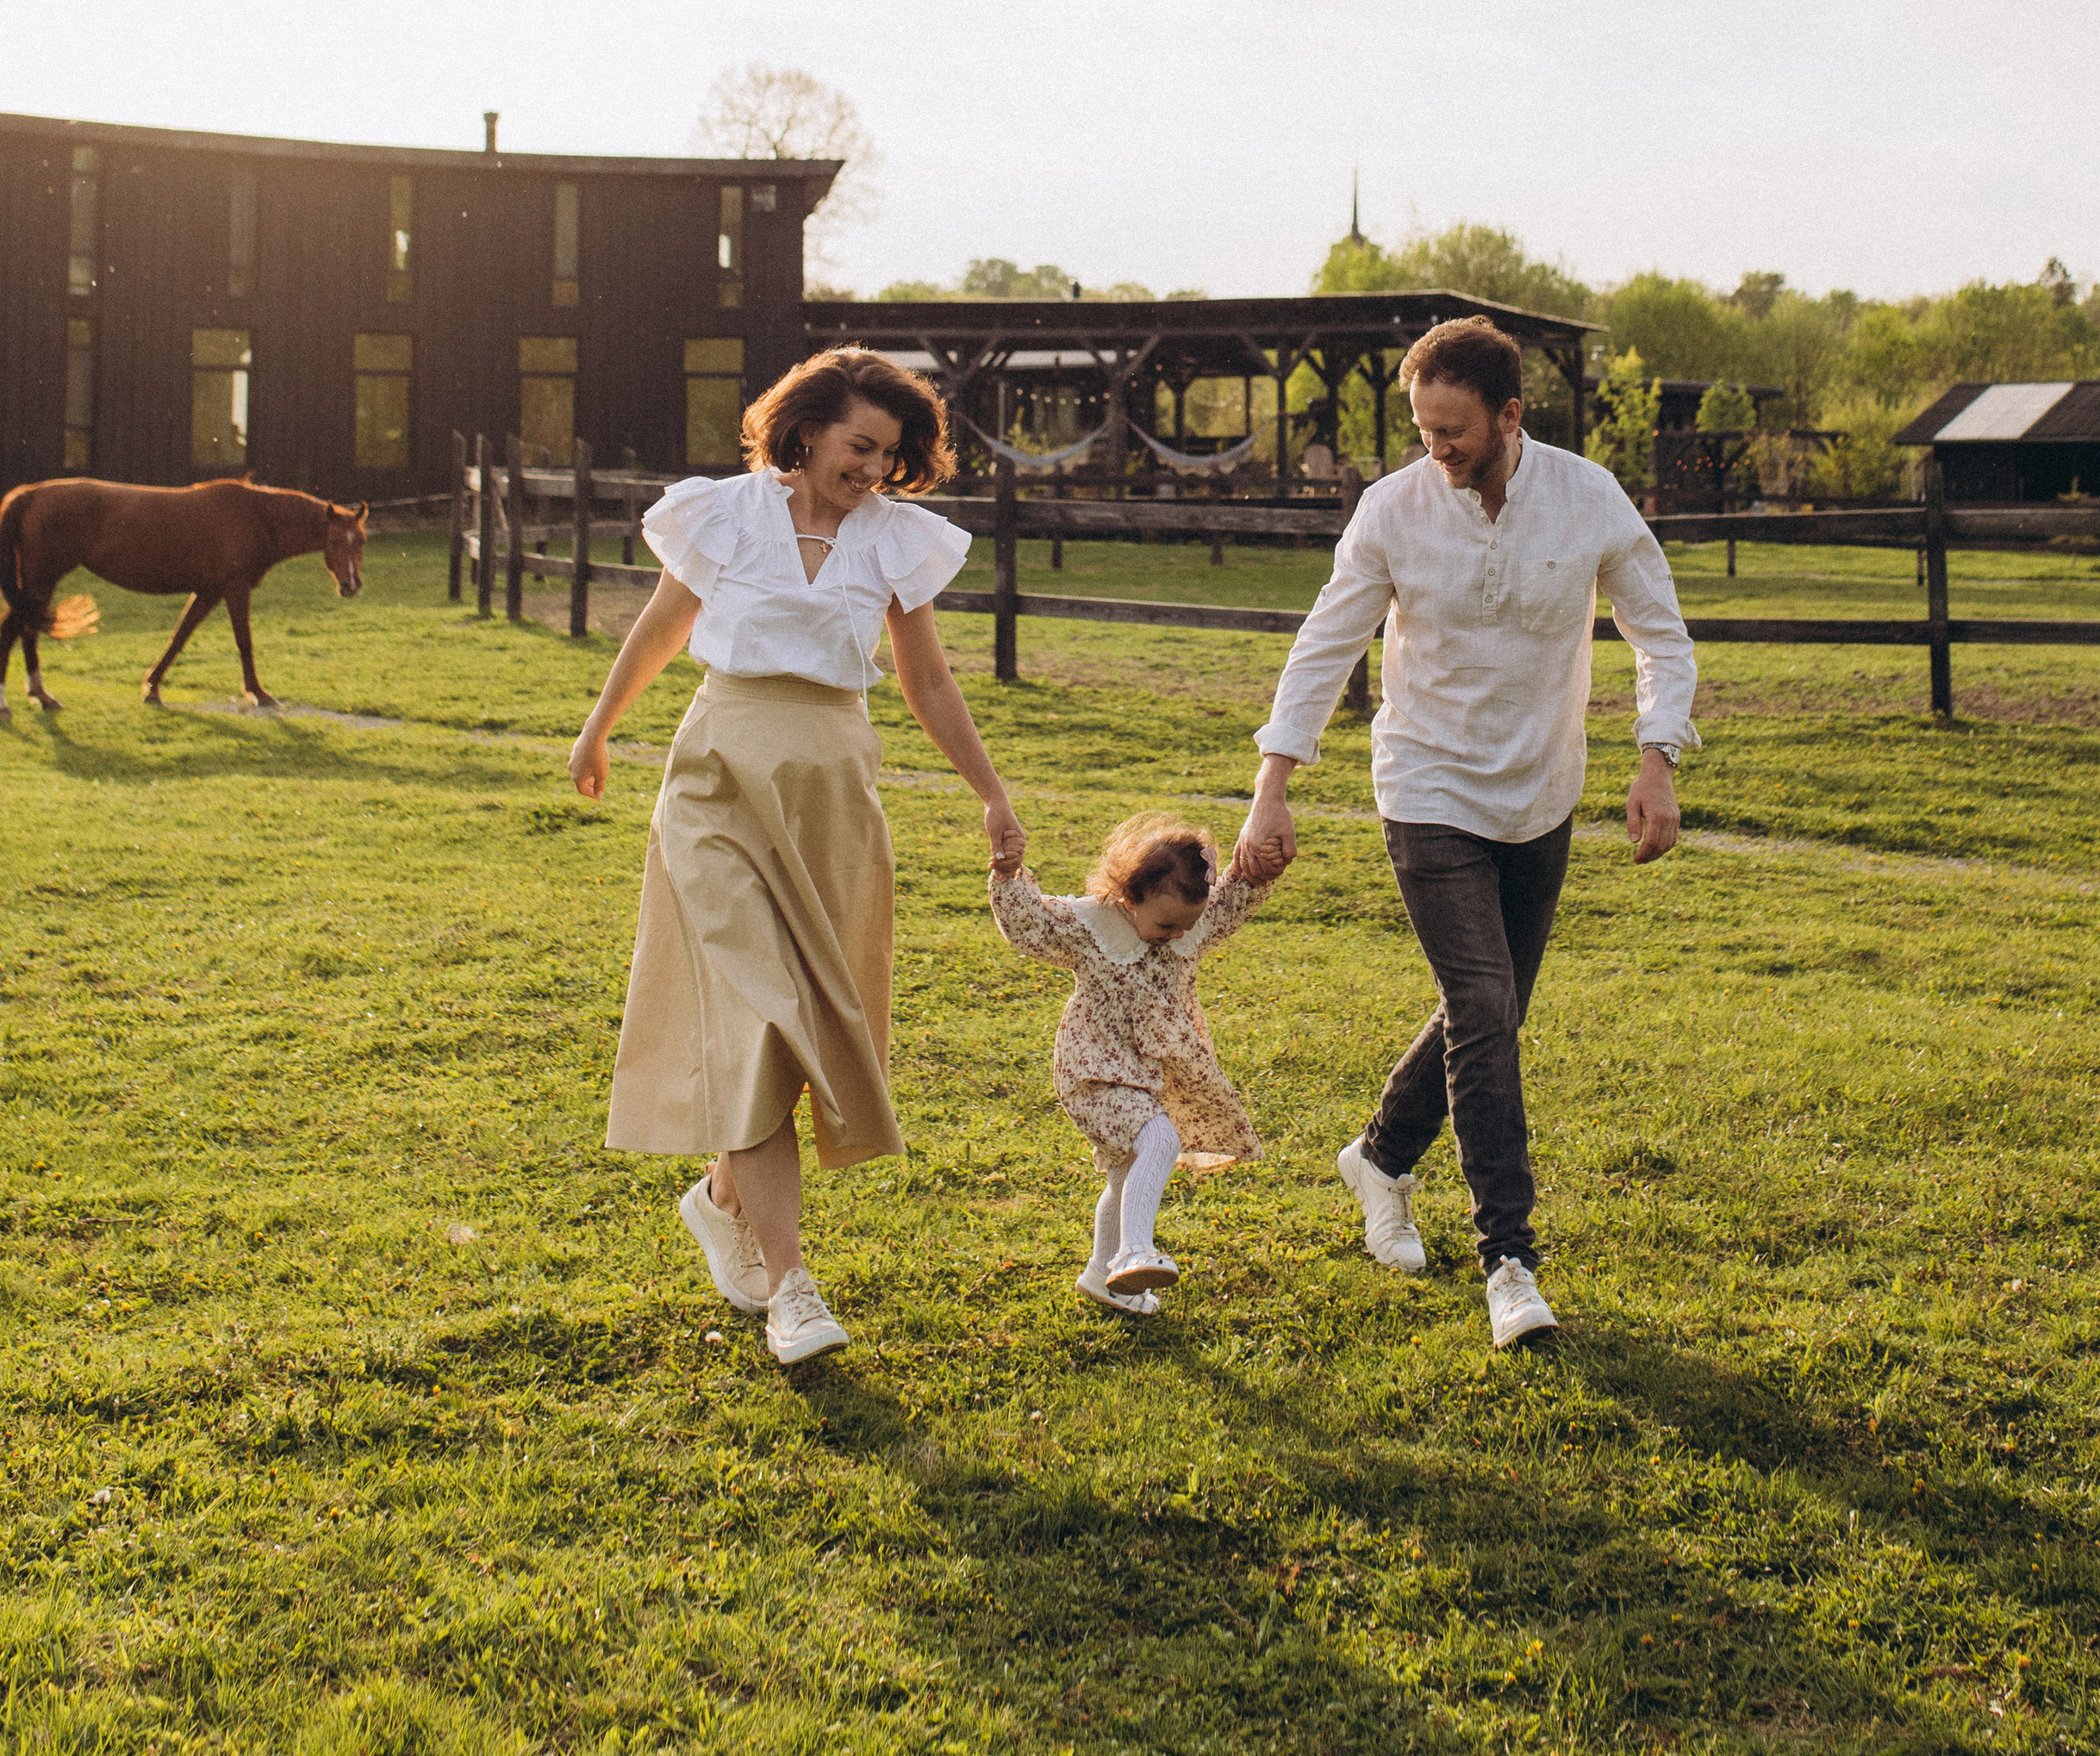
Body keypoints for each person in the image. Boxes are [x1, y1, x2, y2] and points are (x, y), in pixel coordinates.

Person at [1231, 315, 1697, 1351]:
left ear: (1508, 417)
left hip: (1540, 791)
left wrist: (1656, 756)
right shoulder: (1392, 511)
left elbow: (1658, 634)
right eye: (1421, 430)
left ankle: (1380, 1156)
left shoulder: (1587, 499)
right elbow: (1324, 645)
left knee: (1492, 1011)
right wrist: (1274, 786)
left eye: (1451, 432)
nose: (1433, 450)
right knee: (1483, 1006)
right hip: (1425, 783)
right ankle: (1510, 1262)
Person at [571, 346, 1026, 1367]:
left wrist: (991, 794)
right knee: (756, 1016)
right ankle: (792, 1288)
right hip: (718, 783)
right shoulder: (723, 514)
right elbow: (658, 628)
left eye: (890, 452)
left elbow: (930, 686)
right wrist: (600, 728)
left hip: (832, 792)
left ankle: (723, 1195)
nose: (872, 467)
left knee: (808, 1022)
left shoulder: (895, 542)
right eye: (858, 446)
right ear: (806, 430)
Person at [989, 811, 1276, 1315]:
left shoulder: (1186, 926)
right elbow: (1029, 924)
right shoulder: (1092, 926)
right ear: (1129, 898)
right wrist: (1008, 873)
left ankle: (1101, 1276)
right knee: (1160, 1140)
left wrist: (1257, 870)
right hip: (1092, 1072)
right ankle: (1134, 1251)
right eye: (1165, 923)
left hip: (1143, 1077)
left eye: (1186, 924)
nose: (1175, 934)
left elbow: (1229, 905)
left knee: (1126, 1174)